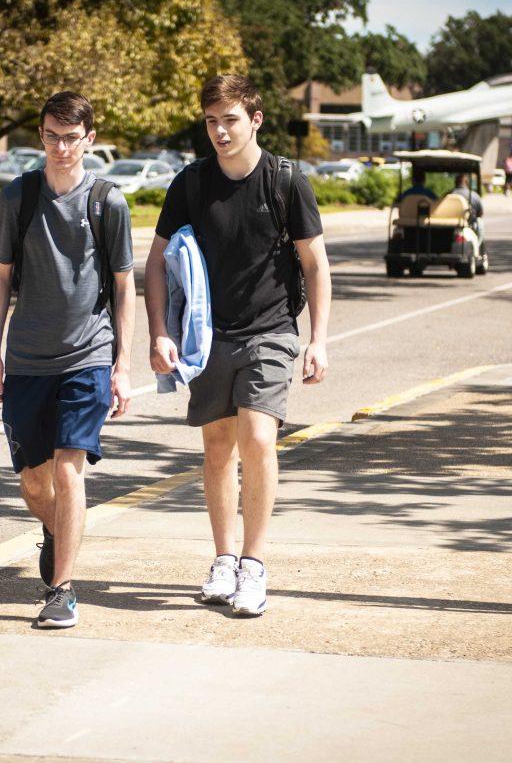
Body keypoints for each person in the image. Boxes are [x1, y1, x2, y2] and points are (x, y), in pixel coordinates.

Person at [145, 74, 331, 617]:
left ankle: (254, 565)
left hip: (271, 330)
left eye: (230, 120)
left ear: (255, 120)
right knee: (216, 447)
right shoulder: (191, 184)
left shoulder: (285, 181)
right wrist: (160, 331)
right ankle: (223, 560)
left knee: (257, 437)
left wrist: (318, 340)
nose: (220, 131)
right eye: (211, 121)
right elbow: (155, 261)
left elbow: (316, 264)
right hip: (210, 336)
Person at [0, 91, 135, 630]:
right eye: (52, 136)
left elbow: (123, 286)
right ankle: (57, 531)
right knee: (32, 482)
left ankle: (62, 589)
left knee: (69, 468)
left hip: (87, 355)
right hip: (27, 358)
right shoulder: (17, 199)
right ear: (40, 137)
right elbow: (2, 277)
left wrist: (121, 364)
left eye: (72, 137)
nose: (62, 147)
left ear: (90, 139)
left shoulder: (108, 202)